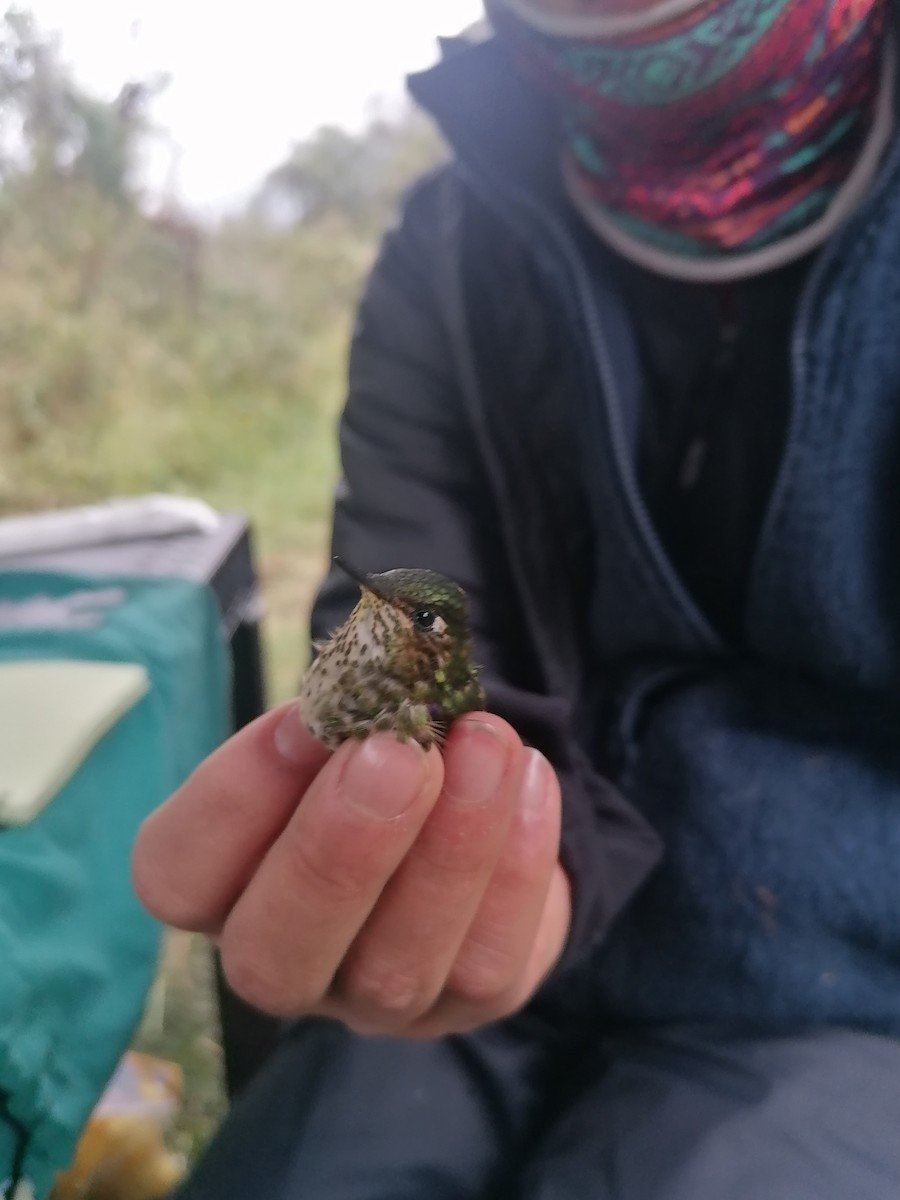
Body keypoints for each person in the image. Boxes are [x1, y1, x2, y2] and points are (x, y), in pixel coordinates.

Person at [132, 0, 900, 1195]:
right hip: (491, 962)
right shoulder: (445, 248)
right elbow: (385, 607)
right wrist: (414, 877)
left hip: (849, 999)